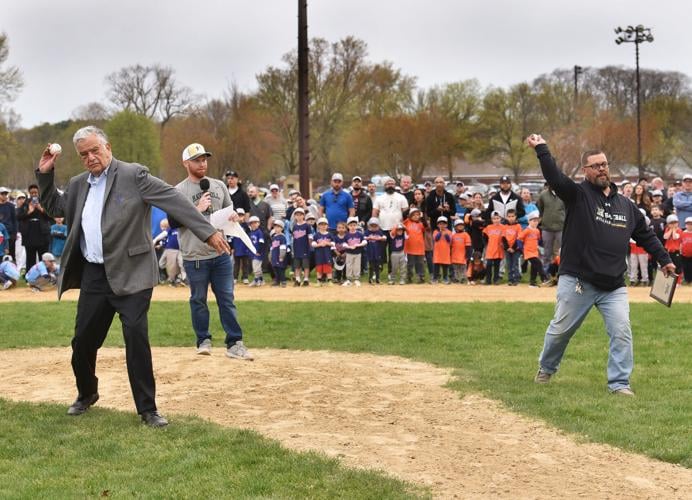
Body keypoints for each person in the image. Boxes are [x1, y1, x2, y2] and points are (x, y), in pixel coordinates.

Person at [37, 126, 229, 427]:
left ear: (108, 147)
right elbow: (55, 207)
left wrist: (206, 231)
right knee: (83, 342)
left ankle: (148, 409)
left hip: (132, 274)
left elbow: (173, 201)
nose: (90, 158)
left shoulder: (133, 175)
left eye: (94, 150)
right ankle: (87, 394)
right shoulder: (77, 185)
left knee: (136, 340)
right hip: (95, 276)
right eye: (83, 154)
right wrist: (45, 175)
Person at [526, 133, 675, 395]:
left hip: (613, 285)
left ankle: (619, 383)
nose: (602, 169)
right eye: (596, 165)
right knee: (561, 330)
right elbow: (554, 176)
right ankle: (546, 368)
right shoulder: (577, 195)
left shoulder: (626, 206)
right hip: (578, 281)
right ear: (585, 171)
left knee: (622, 331)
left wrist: (665, 260)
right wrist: (542, 149)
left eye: (604, 164)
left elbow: (646, 235)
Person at [174, 143, 253, 361]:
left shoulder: (218, 185)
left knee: (227, 299)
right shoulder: (179, 191)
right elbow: (171, 221)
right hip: (195, 256)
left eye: (204, 159)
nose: (202, 163)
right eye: (197, 160)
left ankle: (235, 343)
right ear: (186, 163)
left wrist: (234, 217)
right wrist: (195, 209)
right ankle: (203, 340)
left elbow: (230, 211)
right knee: (198, 299)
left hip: (221, 255)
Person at [16, 183, 53, 272]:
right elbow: (18, 217)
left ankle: (45, 275)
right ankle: (30, 276)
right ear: (29, 193)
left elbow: (51, 217)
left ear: (38, 192)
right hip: (29, 234)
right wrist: (29, 211)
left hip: (42, 234)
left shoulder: (44, 202)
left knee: (43, 256)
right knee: (30, 257)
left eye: (35, 193)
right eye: (32, 193)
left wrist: (41, 209)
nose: (34, 195)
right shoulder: (25, 204)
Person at [537, 183, 565, 277]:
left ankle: (563, 273)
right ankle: (546, 274)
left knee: (563, 252)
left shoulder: (564, 194)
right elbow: (540, 209)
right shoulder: (543, 195)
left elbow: (568, 209)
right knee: (547, 253)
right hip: (547, 228)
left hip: (561, 227)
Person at [518, 211, 549, 287]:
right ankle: (544, 279)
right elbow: (519, 239)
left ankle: (532, 283)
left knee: (534, 267)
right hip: (528, 252)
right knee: (538, 263)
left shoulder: (537, 231)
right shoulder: (526, 230)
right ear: (529, 221)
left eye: (537, 221)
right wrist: (522, 249)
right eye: (533, 221)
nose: (535, 222)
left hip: (535, 252)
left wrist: (543, 245)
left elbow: (538, 240)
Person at [290, 207, 312, 286]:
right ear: (295, 216)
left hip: (305, 248)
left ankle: (306, 279)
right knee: (297, 266)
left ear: (303, 216)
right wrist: (293, 249)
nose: (299, 217)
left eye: (300, 215)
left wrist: (309, 246)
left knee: (305, 265)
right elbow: (293, 238)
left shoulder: (307, 226)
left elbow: (310, 237)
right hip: (296, 249)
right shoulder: (295, 226)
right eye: (297, 215)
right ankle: (297, 279)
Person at [403, 207, 426, 283]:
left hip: (419, 248)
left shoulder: (421, 224)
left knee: (420, 263)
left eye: (418, 215)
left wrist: (423, 217)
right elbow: (403, 216)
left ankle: (421, 277)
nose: (416, 216)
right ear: (410, 216)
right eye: (414, 215)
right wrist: (409, 208)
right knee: (410, 264)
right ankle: (409, 277)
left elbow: (426, 226)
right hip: (410, 248)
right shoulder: (407, 222)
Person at [482, 212, 505, 285]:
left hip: (498, 249)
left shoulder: (503, 227)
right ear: (492, 219)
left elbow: (505, 237)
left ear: (500, 219)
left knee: (497, 265)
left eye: (498, 218)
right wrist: (486, 244)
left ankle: (496, 279)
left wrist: (503, 244)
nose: (496, 220)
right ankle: (488, 280)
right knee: (488, 264)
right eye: (494, 219)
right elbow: (484, 236)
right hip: (490, 249)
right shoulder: (489, 227)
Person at [343, 216, 367, 287]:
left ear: (356, 225)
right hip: (349, 253)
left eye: (354, 225)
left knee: (357, 266)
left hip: (357, 253)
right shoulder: (347, 235)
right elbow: (344, 244)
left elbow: (365, 241)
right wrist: (349, 246)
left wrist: (358, 245)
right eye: (351, 225)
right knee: (349, 266)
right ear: (348, 226)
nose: (352, 227)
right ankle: (349, 279)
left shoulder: (359, 234)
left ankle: (356, 279)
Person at [502, 209, 522, 286]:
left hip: (516, 249)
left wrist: (513, 248)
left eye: (512, 216)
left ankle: (516, 279)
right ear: (507, 217)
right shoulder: (505, 226)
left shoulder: (518, 226)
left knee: (515, 264)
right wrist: (507, 248)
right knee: (509, 264)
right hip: (507, 249)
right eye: (509, 216)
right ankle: (510, 279)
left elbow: (519, 238)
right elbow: (503, 238)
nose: (511, 218)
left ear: (516, 217)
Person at [311, 217, 334, 285]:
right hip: (319, 255)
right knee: (319, 268)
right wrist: (320, 244)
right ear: (318, 226)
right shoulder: (316, 235)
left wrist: (327, 243)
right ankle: (319, 281)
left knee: (328, 268)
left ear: (327, 225)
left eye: (325, 224)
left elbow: (333, 243)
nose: (323, 226)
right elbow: (313, 244)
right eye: (321, 224)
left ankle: (329, 280)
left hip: (327, 255)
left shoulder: (329, 234)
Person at [364, 217, 386, 284]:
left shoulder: (379, 232)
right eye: (372, 226)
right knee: (371, 266)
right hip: (370, 252)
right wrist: (369, 238)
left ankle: (377, 278)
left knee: (377, 266)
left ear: (378, 226)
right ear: (369, 226)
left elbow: (384, 237)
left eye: (375, 226)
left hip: (377, 252)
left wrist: (380, 238)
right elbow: (363, 237)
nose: (373, 228)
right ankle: (370, 279)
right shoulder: (367, 232)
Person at [450, 219, 471, 284]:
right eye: (458, 225)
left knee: (463, 268)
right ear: (455, 227)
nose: (460, 226)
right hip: (454, 256)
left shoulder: (466, 235)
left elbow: (468, 246)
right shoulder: (453, 235)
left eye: (461, 225)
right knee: (455, 268)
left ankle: (463, 278)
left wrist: (468, 255)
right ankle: (456, 279)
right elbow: (450, 246)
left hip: (462, 256)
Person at [248, 215, 266, 286]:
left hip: (258, 253)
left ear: (258, 223)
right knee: (257, 267)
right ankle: (261, 279)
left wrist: (259, 251)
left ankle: (256, 280)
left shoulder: (259, 232)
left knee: (256, 268)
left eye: (255, 223)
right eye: (252, 223)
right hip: (253, 253)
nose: (253, 224)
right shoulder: (251, 233)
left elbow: (261, 243)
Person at [0, 186, 17, 261]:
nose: (4, 195)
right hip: (0, 232)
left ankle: (11, 270)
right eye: (2, 194)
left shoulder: (11, 206)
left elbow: (15, 220)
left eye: (5, 194)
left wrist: (14, 234)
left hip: (9, 233)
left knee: (10, 253)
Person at [269, 220, 288, 287]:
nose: (276, 229)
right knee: (275, 269)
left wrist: (281, 256)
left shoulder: (282, 237)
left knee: (280, 269)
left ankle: (283, 281)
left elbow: (283, 247)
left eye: (278, 227)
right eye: (275, 227)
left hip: (279, 256)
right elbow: (272, 247)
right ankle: (277, 281)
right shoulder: (274, 237)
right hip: (274, 256)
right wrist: (270, 256)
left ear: (282, 228)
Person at [681, 217, 692, 284]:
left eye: (691, 224)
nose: (689, 226)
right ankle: (687, 280)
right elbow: (681, 243)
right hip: (684, 254)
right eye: (688, 224)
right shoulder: (683, 233)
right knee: (686, 267)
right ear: (685, 225)